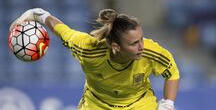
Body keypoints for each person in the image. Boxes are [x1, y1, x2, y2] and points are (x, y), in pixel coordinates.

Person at [10, 8, 180, 110]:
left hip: (138, 103)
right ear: (116, 47)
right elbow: (63, 30)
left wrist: (168, 103)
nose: (142, 46)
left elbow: (172, 71)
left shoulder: (150, 51)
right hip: (97, 103)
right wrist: (38, 15)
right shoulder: (88, 49)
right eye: (134, 43)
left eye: (141, 39)